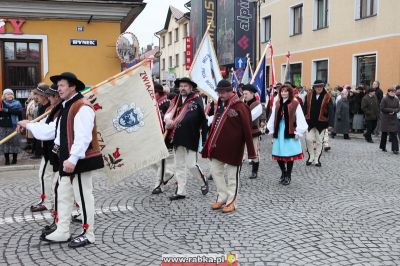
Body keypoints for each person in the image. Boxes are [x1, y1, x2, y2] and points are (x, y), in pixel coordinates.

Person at [18, 72, 104, 248]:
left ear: (73, 87)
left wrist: (72, 159)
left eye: (62, 85)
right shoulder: (66, 106)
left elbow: (83, 138)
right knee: (62, 194)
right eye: (58, 86)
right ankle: (62, 230)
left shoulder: (82, 106)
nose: (59, 89)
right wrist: (30, 125)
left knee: (83, 196)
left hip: (80, 160)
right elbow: (52, 131)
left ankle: (89, 233)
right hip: (66, 160)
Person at [201, 80, 256, 213]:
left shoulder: (241, 106)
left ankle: (232, 201)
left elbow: (247, 130)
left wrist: (251, 151)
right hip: (217, 146)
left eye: (224, 91)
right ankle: (222, 196)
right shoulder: (219, 105)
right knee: (215, 172)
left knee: (232, 176)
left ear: (231, 91)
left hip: (234, 147)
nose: (222, 94)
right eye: (219, 92)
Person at [164, 77, 208, 201]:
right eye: (181, 86)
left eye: (185, 86)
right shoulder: (176, 100)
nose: (183, 88)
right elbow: (168, 113)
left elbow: (202, 120)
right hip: (177, 137)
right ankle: (180, 191)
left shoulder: (196, 99)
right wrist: (168, 120)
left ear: (191, 88)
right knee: (179, 165)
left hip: (191, 136)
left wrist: (204, 140)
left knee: (191, 165)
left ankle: (203, 181)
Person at [26, 84, 63, 213]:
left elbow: (48, 130)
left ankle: (49, 202)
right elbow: (40, 125)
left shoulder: (57, 109)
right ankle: (48, 201)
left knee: (50, 177)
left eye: (37, 95)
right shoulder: (47, 108)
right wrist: (28, 125)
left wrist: (29, 125)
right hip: (49, 146)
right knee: (47, 176)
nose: (35, 97)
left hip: (54, 148)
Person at [267, 85, 308, 185]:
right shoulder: (277, 103)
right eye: (282, 91)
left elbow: (300, 117)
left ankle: (288, 175)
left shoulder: (295, 103)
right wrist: (271, 129)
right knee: (278, 153)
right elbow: (273, 116)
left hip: (289, 130)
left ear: (290, 92)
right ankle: (283, 172)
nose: (283, 93)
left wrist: (298, 131)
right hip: (279, 130)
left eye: (286, 91)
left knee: (289, 154)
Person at [303, 80, 334, 167]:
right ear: (314, 87)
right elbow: (304, 108)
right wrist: (302, 120)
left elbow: (331, 111)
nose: (319, 88)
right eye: (317, 87)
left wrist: (331, 123)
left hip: (321, 123)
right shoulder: (308, 95)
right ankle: (311, 156)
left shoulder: (327, 96)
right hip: (309, 122)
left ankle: (317, 159)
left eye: (320, 86)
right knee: (308, 139)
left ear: (323, 87)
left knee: (319, 142)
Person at [151, 82, 175, 194]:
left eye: (153, 93)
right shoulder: (155, 104)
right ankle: (168, 173)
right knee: (152, 161)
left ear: (159, 93)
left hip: (165, 136)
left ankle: (159, 184)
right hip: (156, 136)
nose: (152, 95)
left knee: (161, 161)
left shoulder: (166, 104)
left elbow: (169, 121)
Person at [242, 84, 266, 179]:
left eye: (246, 93)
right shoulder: (243, 103)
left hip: (253, 131)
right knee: (240, 152)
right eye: (243, 94)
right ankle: (237, 171)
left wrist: (263, 120)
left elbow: (254, 116)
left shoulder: (257, 104)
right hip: (242, 131)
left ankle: (254, 171)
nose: (244, 95)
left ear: (252, 94)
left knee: (254, 152)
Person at [0, 89, 23, 165]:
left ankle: (14, 159)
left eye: (11, 94)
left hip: (14, 125)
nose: (9, 95)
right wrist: (6, 111)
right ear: (4, 96)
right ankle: (7, 160)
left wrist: (21, 125)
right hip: (4, 126)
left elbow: (19, 113)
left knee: (15, 143)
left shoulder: (17, 103)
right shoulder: (1, 103)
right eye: (7, 94)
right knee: (5, 143)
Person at [379, 87, 400, 154]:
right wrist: (390, 111)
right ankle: (383, 147)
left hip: (393, 119)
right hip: (385, 118)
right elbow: (382, 108)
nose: (393, 93)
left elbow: (398, 108)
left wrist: (394, 111)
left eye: (394, 92)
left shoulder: (396, 100)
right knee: (384, 133)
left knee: (394, 134)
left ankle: (395, 149)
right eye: (392, 92)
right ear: (388, 92)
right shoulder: (384, 99)